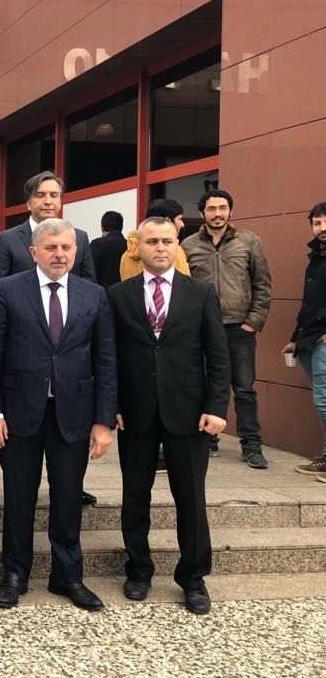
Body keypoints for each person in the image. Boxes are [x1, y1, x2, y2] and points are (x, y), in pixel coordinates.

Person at [0, 219, 117, 612]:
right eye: (51, 247)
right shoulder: (8, 289)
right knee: (18, 496)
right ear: (34, 252)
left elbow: (106, 360)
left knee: (69, 497)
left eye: (66, 248)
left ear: (76, 252)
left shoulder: (94, 294)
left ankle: (67, 576)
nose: (59, 254)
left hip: (74, 413)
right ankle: (15, 573)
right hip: (18, 413)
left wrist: (104, 421)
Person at [108, 216, 230, 615]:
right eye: (152, 241)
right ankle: (138, 570)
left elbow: (218, 354)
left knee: (191, 497)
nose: (160, 247)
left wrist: (216, 407)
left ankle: (193, 577)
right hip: (136, 413)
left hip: (190, 413)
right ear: (138, 247)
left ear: (177, 244)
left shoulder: (201, 293)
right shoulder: (118, 295)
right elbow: (110, 357)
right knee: (134, 495)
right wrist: (112, 406)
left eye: (167, 241)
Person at [0, 170, 99, 508]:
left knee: (67, 488)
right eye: (41, 195)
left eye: (54, 195)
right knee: (20, 492)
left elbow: (90, 296)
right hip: (23, 377)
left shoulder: (80, 238)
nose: (48, 201)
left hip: (70, 382)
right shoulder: (9, 240)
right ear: (28, 201)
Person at [182, 189, 272, 468]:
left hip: (239, 329)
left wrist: (253, 322)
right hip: (201, 329)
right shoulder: (188, 245)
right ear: (202, 213)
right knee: (203, 385)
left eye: (223, 208)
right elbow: (182, 288)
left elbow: (263, 284)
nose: (217, 213)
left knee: (244, 388)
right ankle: (208, 439)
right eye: (211, 209)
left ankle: (251, 445)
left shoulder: (249, 241)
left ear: (231, 211)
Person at [283, 202, 326, 480]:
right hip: (309, 338)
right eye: (317, 223)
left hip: (322, 339)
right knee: (322, 398)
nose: (322, 228)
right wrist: (295, 339)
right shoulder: (317, 257)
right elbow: (310, 303)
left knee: (324, 399)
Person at [120, 198, 191, 280]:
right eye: (180, 219)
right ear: (167, 221)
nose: (182, 224)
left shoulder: (126, 256)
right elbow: (185, 284)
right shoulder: (174, 251)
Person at [89, 211, 127, 289]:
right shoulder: (129, 245)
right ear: (121, 227)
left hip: (103, 293)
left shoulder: (97, 244)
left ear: (102, 228)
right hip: (125, 293)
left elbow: (91, 273)